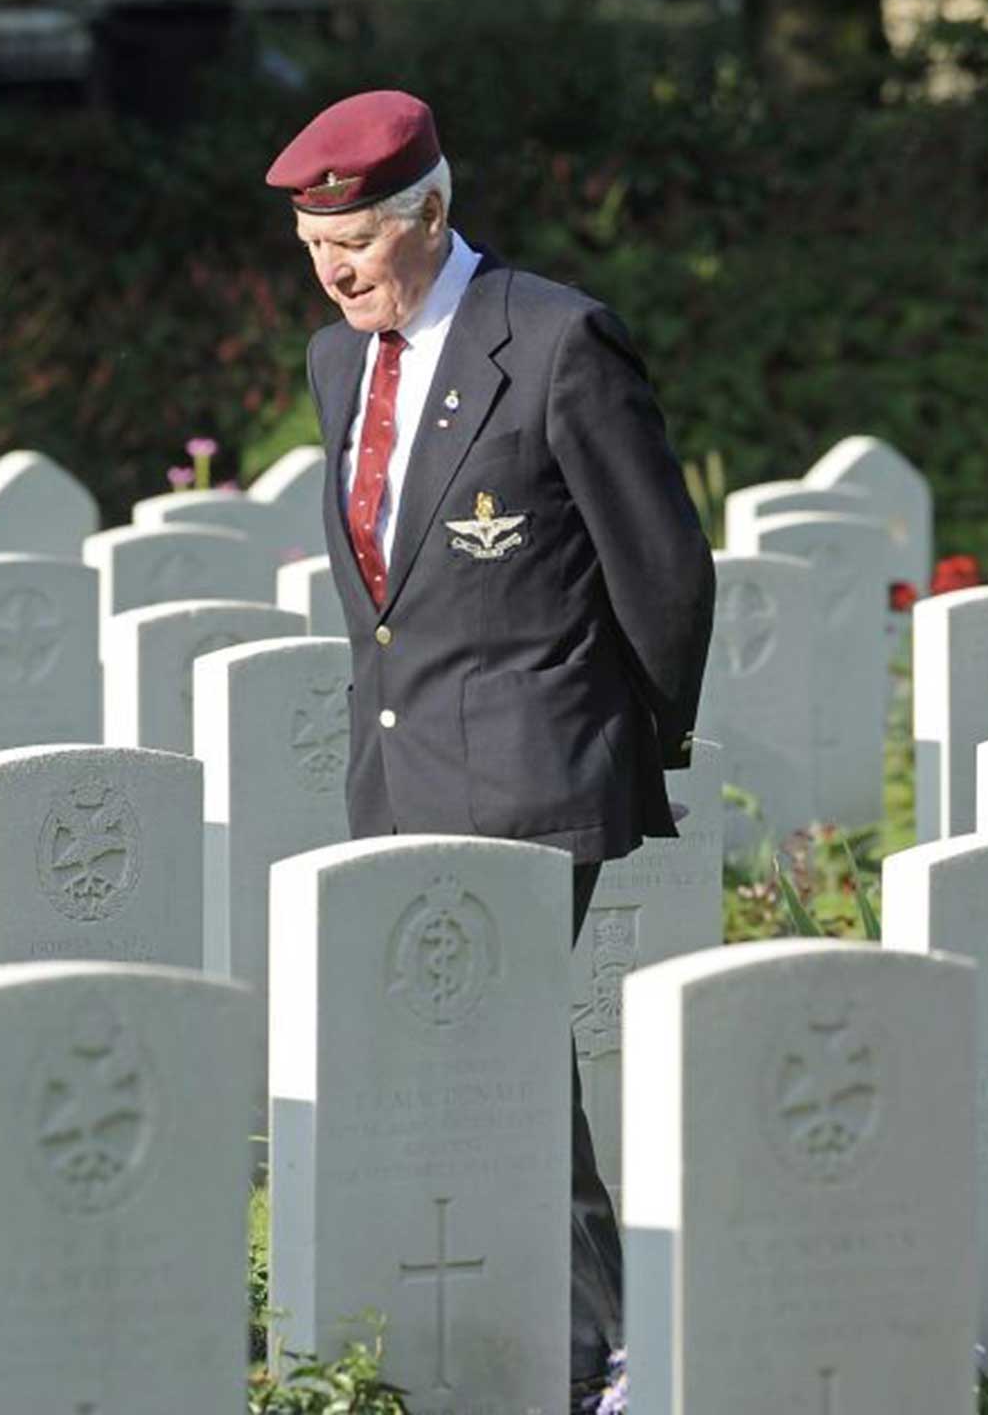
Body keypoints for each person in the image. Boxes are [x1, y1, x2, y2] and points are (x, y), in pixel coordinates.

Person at [266, 89, 716, 1412]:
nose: (335, 271)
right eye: (311, 250)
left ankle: (606, 1350)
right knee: (453, 1055)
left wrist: (618, 747)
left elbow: (666, 572)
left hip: (533, 773)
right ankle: (495, 1321)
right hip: (397, 772)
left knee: (502, 1046)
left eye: (356, 245)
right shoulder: (337, 363)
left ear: (435, 214)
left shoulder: (559, 342)